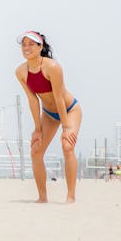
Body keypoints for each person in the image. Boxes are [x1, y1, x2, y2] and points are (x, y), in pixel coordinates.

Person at [15, 30, 82, 203]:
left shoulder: (52, 67)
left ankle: (71, 197)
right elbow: (33, 100)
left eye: (31, 44)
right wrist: (37, 129)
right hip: (50, 114)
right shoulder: (21, 72)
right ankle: (42, 197)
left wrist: (66, 128)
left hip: (69, 110)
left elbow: (59, 98)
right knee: (36, 151)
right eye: (24, 44)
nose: (26, 47)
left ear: (40, 47)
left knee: (67, 146)